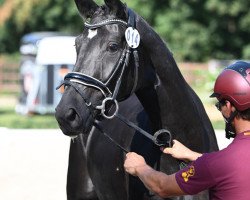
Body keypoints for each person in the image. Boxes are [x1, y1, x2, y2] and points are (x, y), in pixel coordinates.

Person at [124, 61, 250, 199]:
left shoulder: (215, 164)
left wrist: (140, 167)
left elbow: (162, 187)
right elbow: (233, 166)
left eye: (220, 104)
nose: (220, 109)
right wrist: (193, 155)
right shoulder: (218, 163)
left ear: (230, 105)